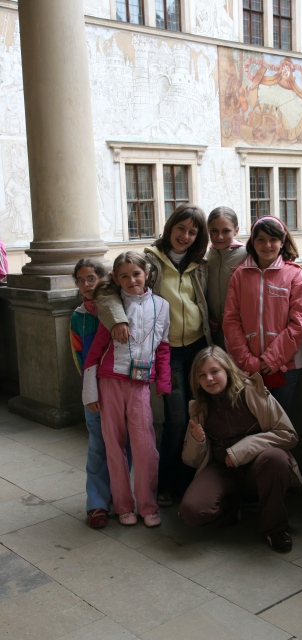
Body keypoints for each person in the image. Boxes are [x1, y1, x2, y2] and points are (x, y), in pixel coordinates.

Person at [95, 205, 212, 507]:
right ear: (170, 227)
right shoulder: (150, 261)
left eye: (193, 232)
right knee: (176, 419)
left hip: (198, 349)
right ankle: (166, 484)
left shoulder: (200, 264)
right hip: (168, 353)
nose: (185, 236)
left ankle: (190, 481)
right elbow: (106, 289)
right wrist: (118, 319)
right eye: (180, 228)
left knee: (198, 416)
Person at [180, 346, 302, 551]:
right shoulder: (198, 407)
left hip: (257, 466)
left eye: (214, 371)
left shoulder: (252, 391)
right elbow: (190, 460)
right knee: (191, 511)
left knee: (277, 458)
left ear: (227, 370)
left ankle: (275, 528)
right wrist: (196, 440)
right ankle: (234, 507)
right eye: (202, 375)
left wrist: (240, 451)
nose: (209, 379)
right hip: (221, 470)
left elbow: (288, 434)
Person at [83, 252, 171, 527]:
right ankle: (122, 505)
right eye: (124, 276)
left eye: (136, 274)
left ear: (147, 274)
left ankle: (148, 505)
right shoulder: (113, 306)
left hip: (140, 385)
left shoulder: (162, 306)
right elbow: (95, 352)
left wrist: (164, 380)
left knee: (145, 448)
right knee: (114, 446)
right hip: (109, 382)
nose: (132, 280)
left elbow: (163, 346)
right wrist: (90, 393)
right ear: (116, 279)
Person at [223, 216, 302, 417]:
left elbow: (300, 321)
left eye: (273, 239)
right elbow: (231, 320)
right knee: (251, 422)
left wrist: (272, 359)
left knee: (280, 423)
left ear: (282, 242)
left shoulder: (294, 274)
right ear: (253, 242)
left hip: (285, 366)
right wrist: (248, 361)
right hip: (247, 367)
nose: (267, 245)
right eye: (261, 239)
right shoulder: (239, 274)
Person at [70, 258, 112, 529]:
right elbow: (78, 358)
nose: (86, 285)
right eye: (80, 280)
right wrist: (89, 391)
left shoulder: (116, 307)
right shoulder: (78, 317)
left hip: (118, 387)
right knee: (97, 445)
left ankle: (121, 496)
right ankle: (96, 503)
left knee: (123, 444)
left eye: (91, 279)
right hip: (93, 391)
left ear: (102, 279)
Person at [206, 207, 246, 350]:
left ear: (236, 230)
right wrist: (209, 317)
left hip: (241, 329)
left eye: (226, 231)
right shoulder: (207, 257)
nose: (220, 237)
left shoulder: (246, 255)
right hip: (215, 330)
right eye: (214, 231)